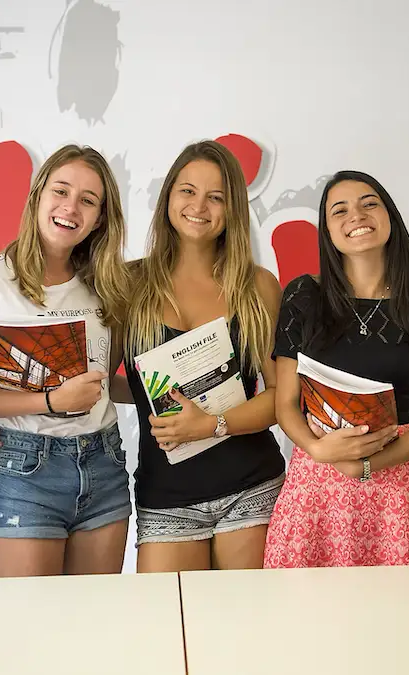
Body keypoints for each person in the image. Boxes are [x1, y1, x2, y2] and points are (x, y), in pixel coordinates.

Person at [0, 144, 132, 577]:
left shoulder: (109, 286)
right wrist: (50, 402)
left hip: (104, 463)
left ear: (101, 218)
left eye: (88, 200)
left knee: (94, 627)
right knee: (28, 633)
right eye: (61, 191)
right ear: (37, 196)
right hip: (23, 471)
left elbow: (106, 383)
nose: (71, 207)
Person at [263, 170, 409, 568]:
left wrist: (366, 465)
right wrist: (319, 449)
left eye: (369, 203)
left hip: (397, 488)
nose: (356, 215)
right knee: (305, 615)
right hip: (315, 485)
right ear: (328, 231)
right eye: (340, 210)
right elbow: (285, 404)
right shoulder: (303, 296)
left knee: (404, 618)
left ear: (389, 217)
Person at [124, 140, 285, 572]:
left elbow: (282, 398)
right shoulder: (128, 283)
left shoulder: (258, 286)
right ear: (168, 197)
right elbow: (121, 384)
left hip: (253, 489)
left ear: (232, 208)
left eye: (216, 196)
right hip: (166, 497)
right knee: (168, 633)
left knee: (251, 634)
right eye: (187, 191)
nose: (200, 205)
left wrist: (211, 425)